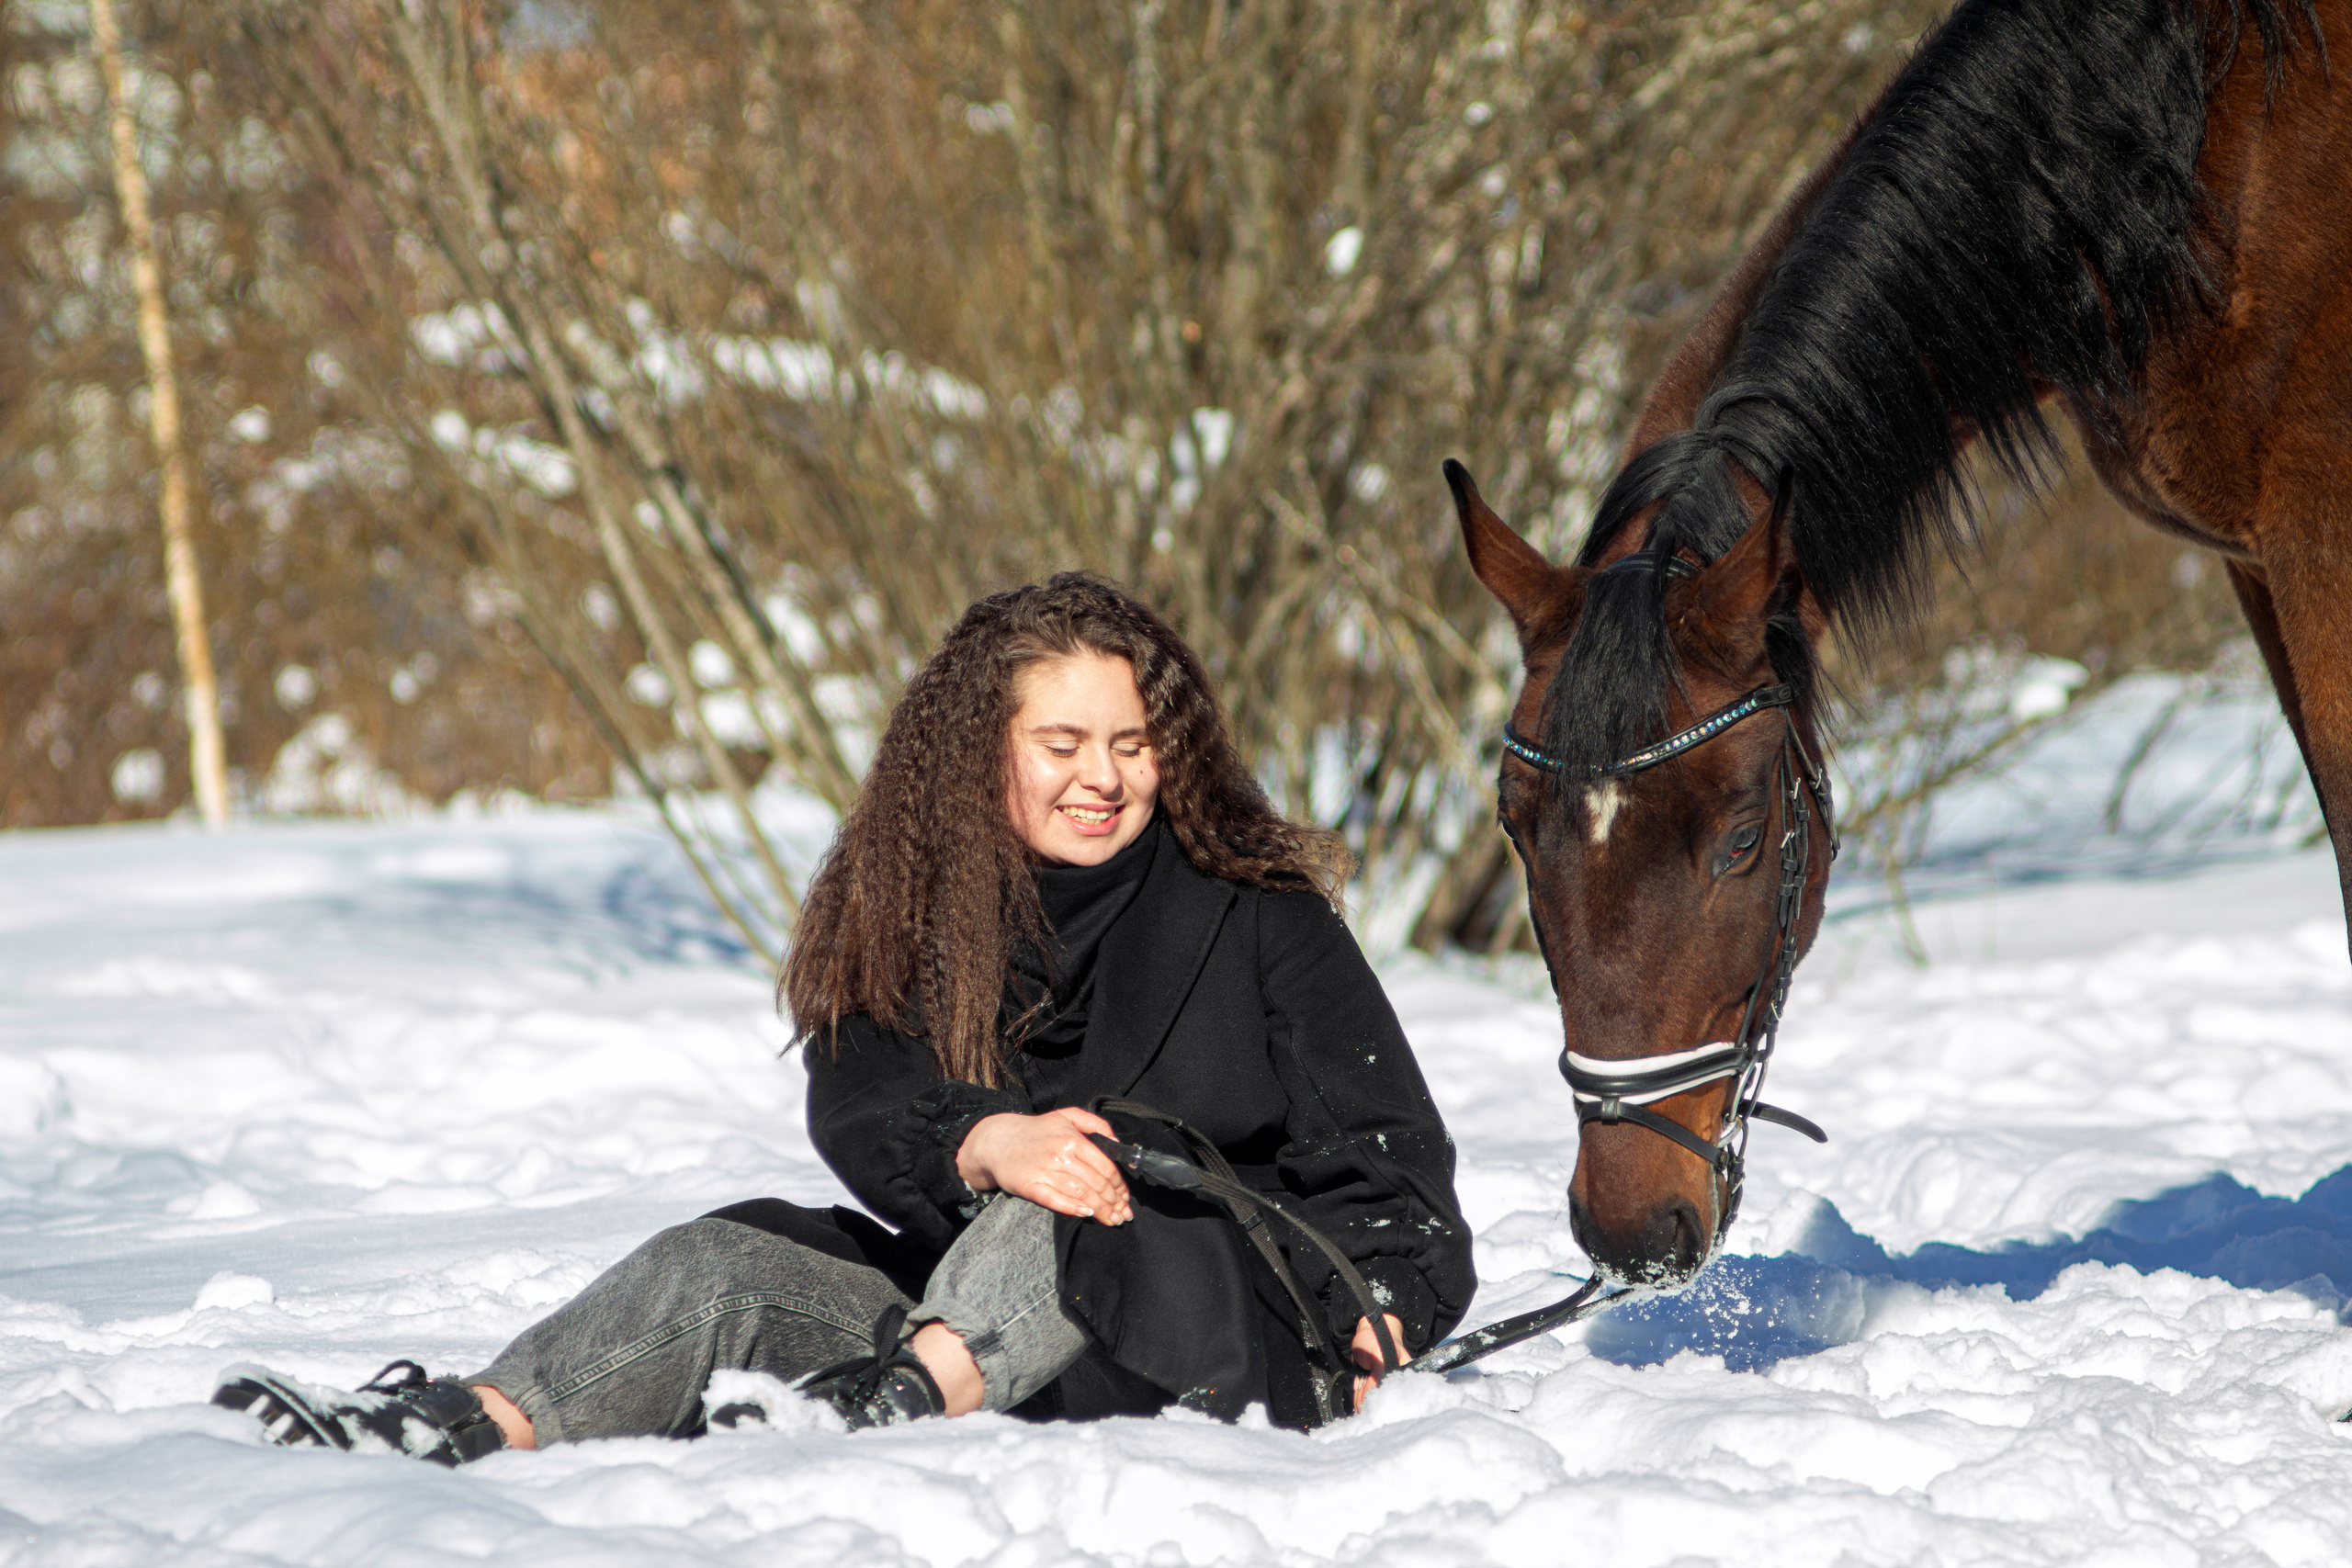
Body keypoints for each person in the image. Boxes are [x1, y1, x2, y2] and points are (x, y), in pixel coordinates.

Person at [213, 572, 1476, 1462]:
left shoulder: (1259, 914)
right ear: (982, 749)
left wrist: (1389, 1305)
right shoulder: (921, 909)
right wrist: (981, 1141)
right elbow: (862, 1095)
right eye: (1066, 742)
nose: (1105, 777)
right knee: (726, 1263)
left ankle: (863, 1424)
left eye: (1135, 745)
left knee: (1087, 1171)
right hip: (961, 1324)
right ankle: (465, 1424)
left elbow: (1397, 1169)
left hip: (1217, 1329)